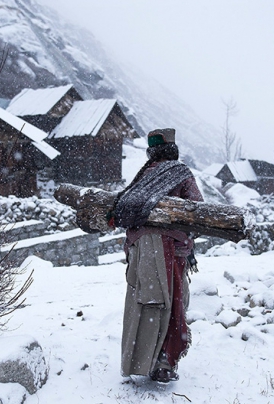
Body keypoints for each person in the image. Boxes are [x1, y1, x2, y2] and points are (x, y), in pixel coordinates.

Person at [111, 128, 203, 383]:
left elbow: (127, 212)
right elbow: (197, 211)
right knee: (171, 304)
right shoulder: (181, 174)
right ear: (173, 150)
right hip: (169, 250)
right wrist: (184, 237)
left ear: (152, 152)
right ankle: (164, 362)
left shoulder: (144, 175)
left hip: (141, 250)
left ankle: (141, 360)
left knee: (143, 303)